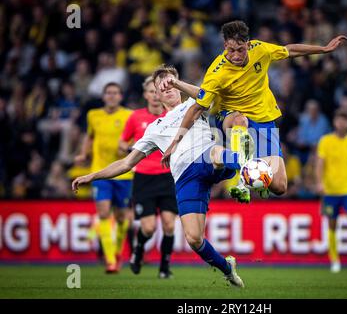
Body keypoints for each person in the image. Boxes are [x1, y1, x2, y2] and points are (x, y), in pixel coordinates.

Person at [72, 65, 245, 288]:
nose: (167, 88)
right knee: (194, 239)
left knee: (215, 153)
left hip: (207, 159)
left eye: (171, 83)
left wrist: (176, 81)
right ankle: (227, 268)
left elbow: (208, 96)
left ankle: (250, 168)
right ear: (155, 93)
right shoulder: (154, 128)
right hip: (186, 178)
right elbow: (126, 163)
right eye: (161, 86)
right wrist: (93, 175)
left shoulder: (194, 104)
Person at [159, 20, 347, 203]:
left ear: (248, 45)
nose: (235, 55)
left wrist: (323, 49)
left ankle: (254, 178)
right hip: (230, 116)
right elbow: (197, 107)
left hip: (264, 119)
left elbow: (289, 50)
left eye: (240, 50)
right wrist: (175, 142)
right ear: (225, 45)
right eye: (230, 50)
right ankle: (243, 179)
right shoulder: (217, 73)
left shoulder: (260, 49)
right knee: (240, 120)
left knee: (280, 186)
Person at [120, 76, 177, 278]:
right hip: (144, 177)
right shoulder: (135, 117)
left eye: (157, 92)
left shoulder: (172, 116)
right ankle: (138, 250)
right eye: (151, 92)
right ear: (145, 94)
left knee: (169, 224)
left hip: (168, 176)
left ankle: (164, 267)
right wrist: (127, 148)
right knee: (149, 228)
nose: (154, 96)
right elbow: (122, 141)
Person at [74, 82, 133, 273]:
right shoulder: (93, 115)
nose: (112, 96)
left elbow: (135, 138)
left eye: (115, 93)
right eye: (108, 93)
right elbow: (89, 136)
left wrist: (127, 147)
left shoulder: (128, 115)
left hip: (124, 172)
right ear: (103, 96)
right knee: (103, 213)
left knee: (123, 217)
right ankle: (110, 260)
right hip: (100, 171)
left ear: (121, 96)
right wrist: (84, 153)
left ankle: (116, 251)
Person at [316, 110, 347, 273]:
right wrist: (319, 183)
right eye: (339, 119)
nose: (341, 123)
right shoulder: (325, 141)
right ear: (334, 122)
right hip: (330, 191)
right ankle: (335, 261)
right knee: (332, 224)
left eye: (345, 120)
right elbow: (319, 165)